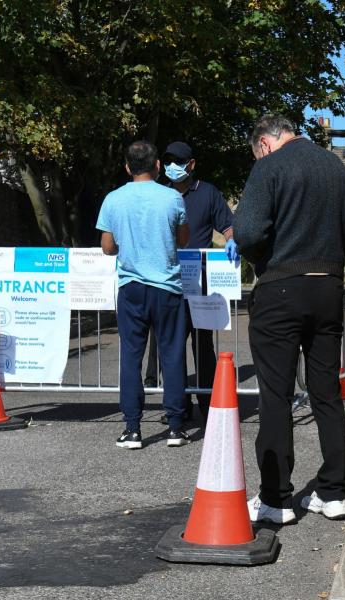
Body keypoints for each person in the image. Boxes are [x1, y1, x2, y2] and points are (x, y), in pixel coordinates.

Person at [234, 114, 345, 524]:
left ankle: (276, 498)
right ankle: (333, 493)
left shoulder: (268, 167)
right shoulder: (336, 169)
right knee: (326, 390)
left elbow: (248, 232)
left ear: (265, 143)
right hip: (328, 286)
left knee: (276, 395)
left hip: (280, 288)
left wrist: (260, 260)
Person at [97, 140, 192, 449]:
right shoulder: (172, 198)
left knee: (131, 356)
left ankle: (133, 428)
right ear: (158, 166)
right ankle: (176, 427)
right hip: (167, 287)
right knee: (172, 355)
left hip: (131, 287)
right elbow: (184, 240)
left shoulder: (113, 199)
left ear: (127, 167)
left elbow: (108, 247)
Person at [148, 141, 238, 425]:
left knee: (203, 345)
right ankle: (178, 406)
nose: (174, 166)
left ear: (192, 164)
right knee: (171, 346)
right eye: (169, 161)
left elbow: (227, 224)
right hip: (167, 279)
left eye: (180, 161)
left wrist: (232, 239)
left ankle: (209, 402)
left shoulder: (208, 193)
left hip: (201, 283)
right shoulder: (159, 195)